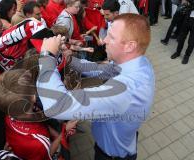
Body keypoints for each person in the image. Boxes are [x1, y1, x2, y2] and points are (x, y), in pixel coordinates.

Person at [37, 13, 155, 159]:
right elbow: (97, 70)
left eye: (111, 37)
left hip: (111, 155)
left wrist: (47, 56)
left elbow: (57, 105)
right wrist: (67, 59)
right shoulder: (137, 62)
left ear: (130, 46)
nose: (104, 40)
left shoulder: (127, 89)